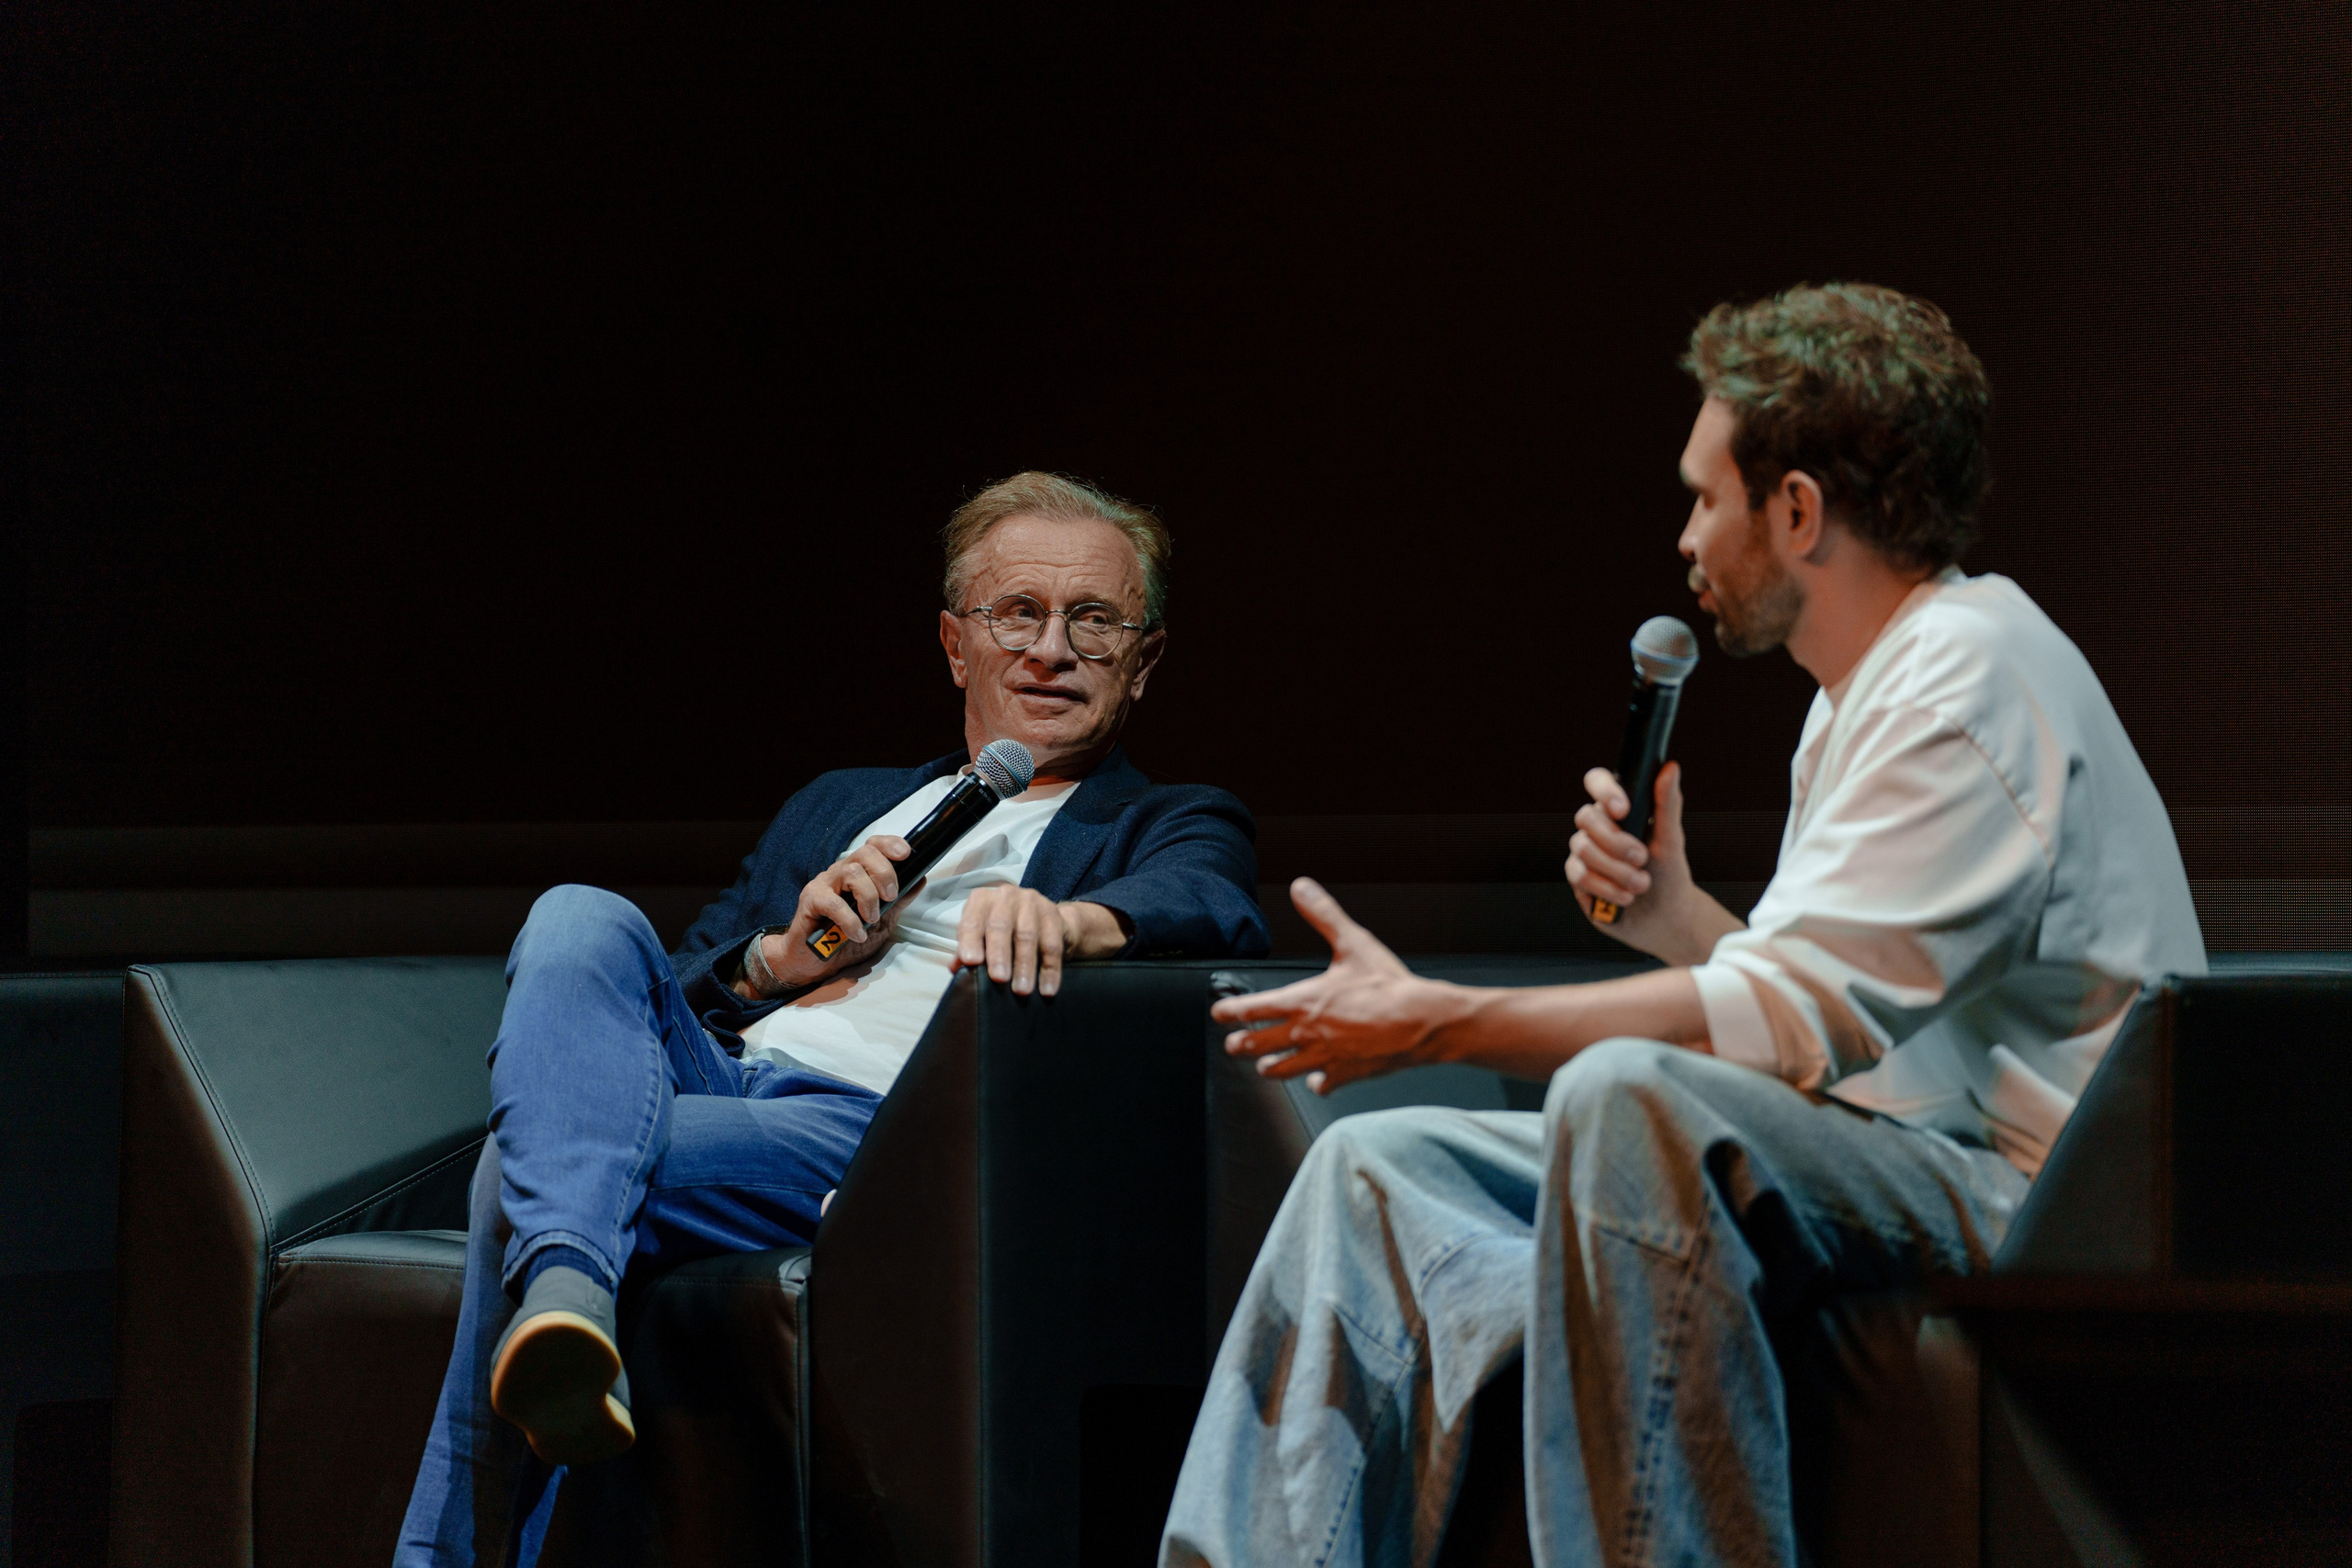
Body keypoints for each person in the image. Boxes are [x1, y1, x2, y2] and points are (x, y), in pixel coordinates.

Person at [1159, 284, 2205, 1567]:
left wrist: (1439, 1015)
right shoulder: (1866, 688)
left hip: (2034, 1195)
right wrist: (1675, 914)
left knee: (1631, 1097)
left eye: (1708, 496)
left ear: (1800, 511)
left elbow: (1796, 1017)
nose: (1686, 535)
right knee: (1378, 1171)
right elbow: (1829, 999)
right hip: (1894, 1141)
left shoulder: (1966, 675)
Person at [398, 471, 1270, 1565]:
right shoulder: (839, 803)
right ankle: (567, 1295)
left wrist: (1070, 921)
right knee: (578, 920)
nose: (1050, 649)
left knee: (514, 1175)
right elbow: (655, 988)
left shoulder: (1162, 819)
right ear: (957, 645)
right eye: (1017, 614)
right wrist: (777, 961)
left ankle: (553, 1315)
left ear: (1141, 665)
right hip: (720, 1084)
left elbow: (1208, 904)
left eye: (1093, 621)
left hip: (883, 1133)